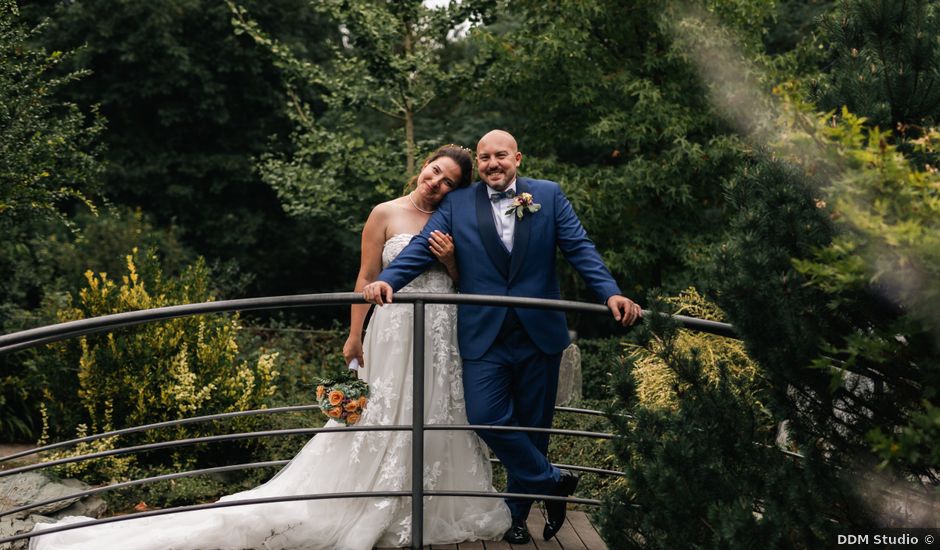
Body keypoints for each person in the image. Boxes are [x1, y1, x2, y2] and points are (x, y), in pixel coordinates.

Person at [30, 144, 511, 550]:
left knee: (442, 409)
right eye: (435, 172)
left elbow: (471, 281)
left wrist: (450, 262)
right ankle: (366, 496)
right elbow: (365, 279)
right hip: (393, 330)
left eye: (449, 181)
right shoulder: (385, 213)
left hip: (442, 331)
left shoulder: (458, 220)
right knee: (383, 412)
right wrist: (352, 334)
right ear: (422, 166)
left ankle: (431, 500)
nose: (437, 184)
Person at [363, 129, 642, 544]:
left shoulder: (548, 194)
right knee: (485, 415)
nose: (492, 164)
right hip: (483, 334)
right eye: (484, 158)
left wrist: (611, 292)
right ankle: (552, 481)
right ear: (478, 163)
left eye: (501, 156)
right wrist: (387, 281)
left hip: (539, 334)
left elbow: (579, 247)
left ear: (517, 159)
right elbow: (421, 247)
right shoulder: (457, 202)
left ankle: (516, 515)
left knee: (533, 429)